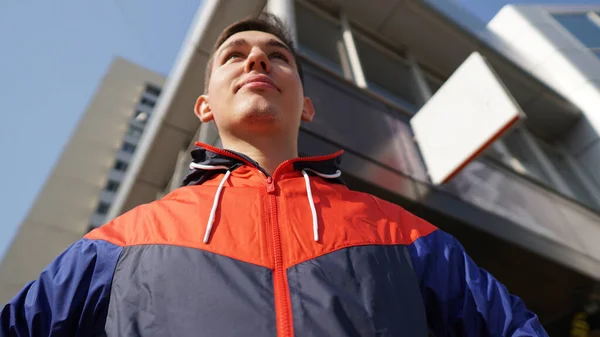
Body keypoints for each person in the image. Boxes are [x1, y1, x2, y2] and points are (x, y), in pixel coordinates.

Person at [1, 13, 548, 337]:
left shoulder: (402, 232)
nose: (256, 62)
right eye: (234, 55)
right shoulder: (123, 239)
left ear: (306, 106)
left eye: (276, 56)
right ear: (204, 106)